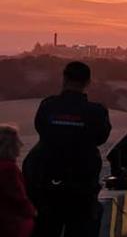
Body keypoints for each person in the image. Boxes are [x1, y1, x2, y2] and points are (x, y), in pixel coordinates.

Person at [23, 61, 111, 237]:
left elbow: (40, 128)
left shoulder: (48, 106)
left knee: (46, 228)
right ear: (88, 82)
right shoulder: (96, 111)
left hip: (47, 182)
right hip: (82, 184)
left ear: (64, 78)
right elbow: (101, 137)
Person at [0, 125, 35, 237]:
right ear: (9, 146)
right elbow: (19, 199)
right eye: (17, 141)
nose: (21, 144)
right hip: (11, 226)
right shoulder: (8, 169)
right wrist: (33, 212)